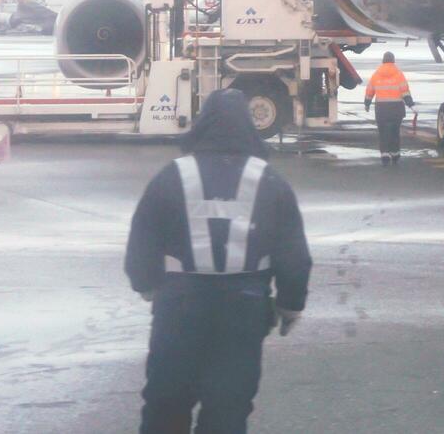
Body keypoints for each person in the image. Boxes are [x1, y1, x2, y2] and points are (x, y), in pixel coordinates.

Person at [125, 89, 312, 433]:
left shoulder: (173, 175)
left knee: (166, 405)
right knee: (228, 409)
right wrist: (290, 305)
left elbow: (143, 237)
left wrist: (147, 285)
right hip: (244, 309)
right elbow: (293, 252)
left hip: (179, 306)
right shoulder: (269, 180)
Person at [363, 51, 414, 164]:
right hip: (396, 108)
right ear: (393, 60)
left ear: (383, 60)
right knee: (395, 131)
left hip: (382, 108)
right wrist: (410, 104)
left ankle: (385, 153)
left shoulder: (376, 74)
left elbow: (370, 91)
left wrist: (367, 103)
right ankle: (395, 153)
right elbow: (405, 91)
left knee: (383, 131)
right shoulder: (399, 74)